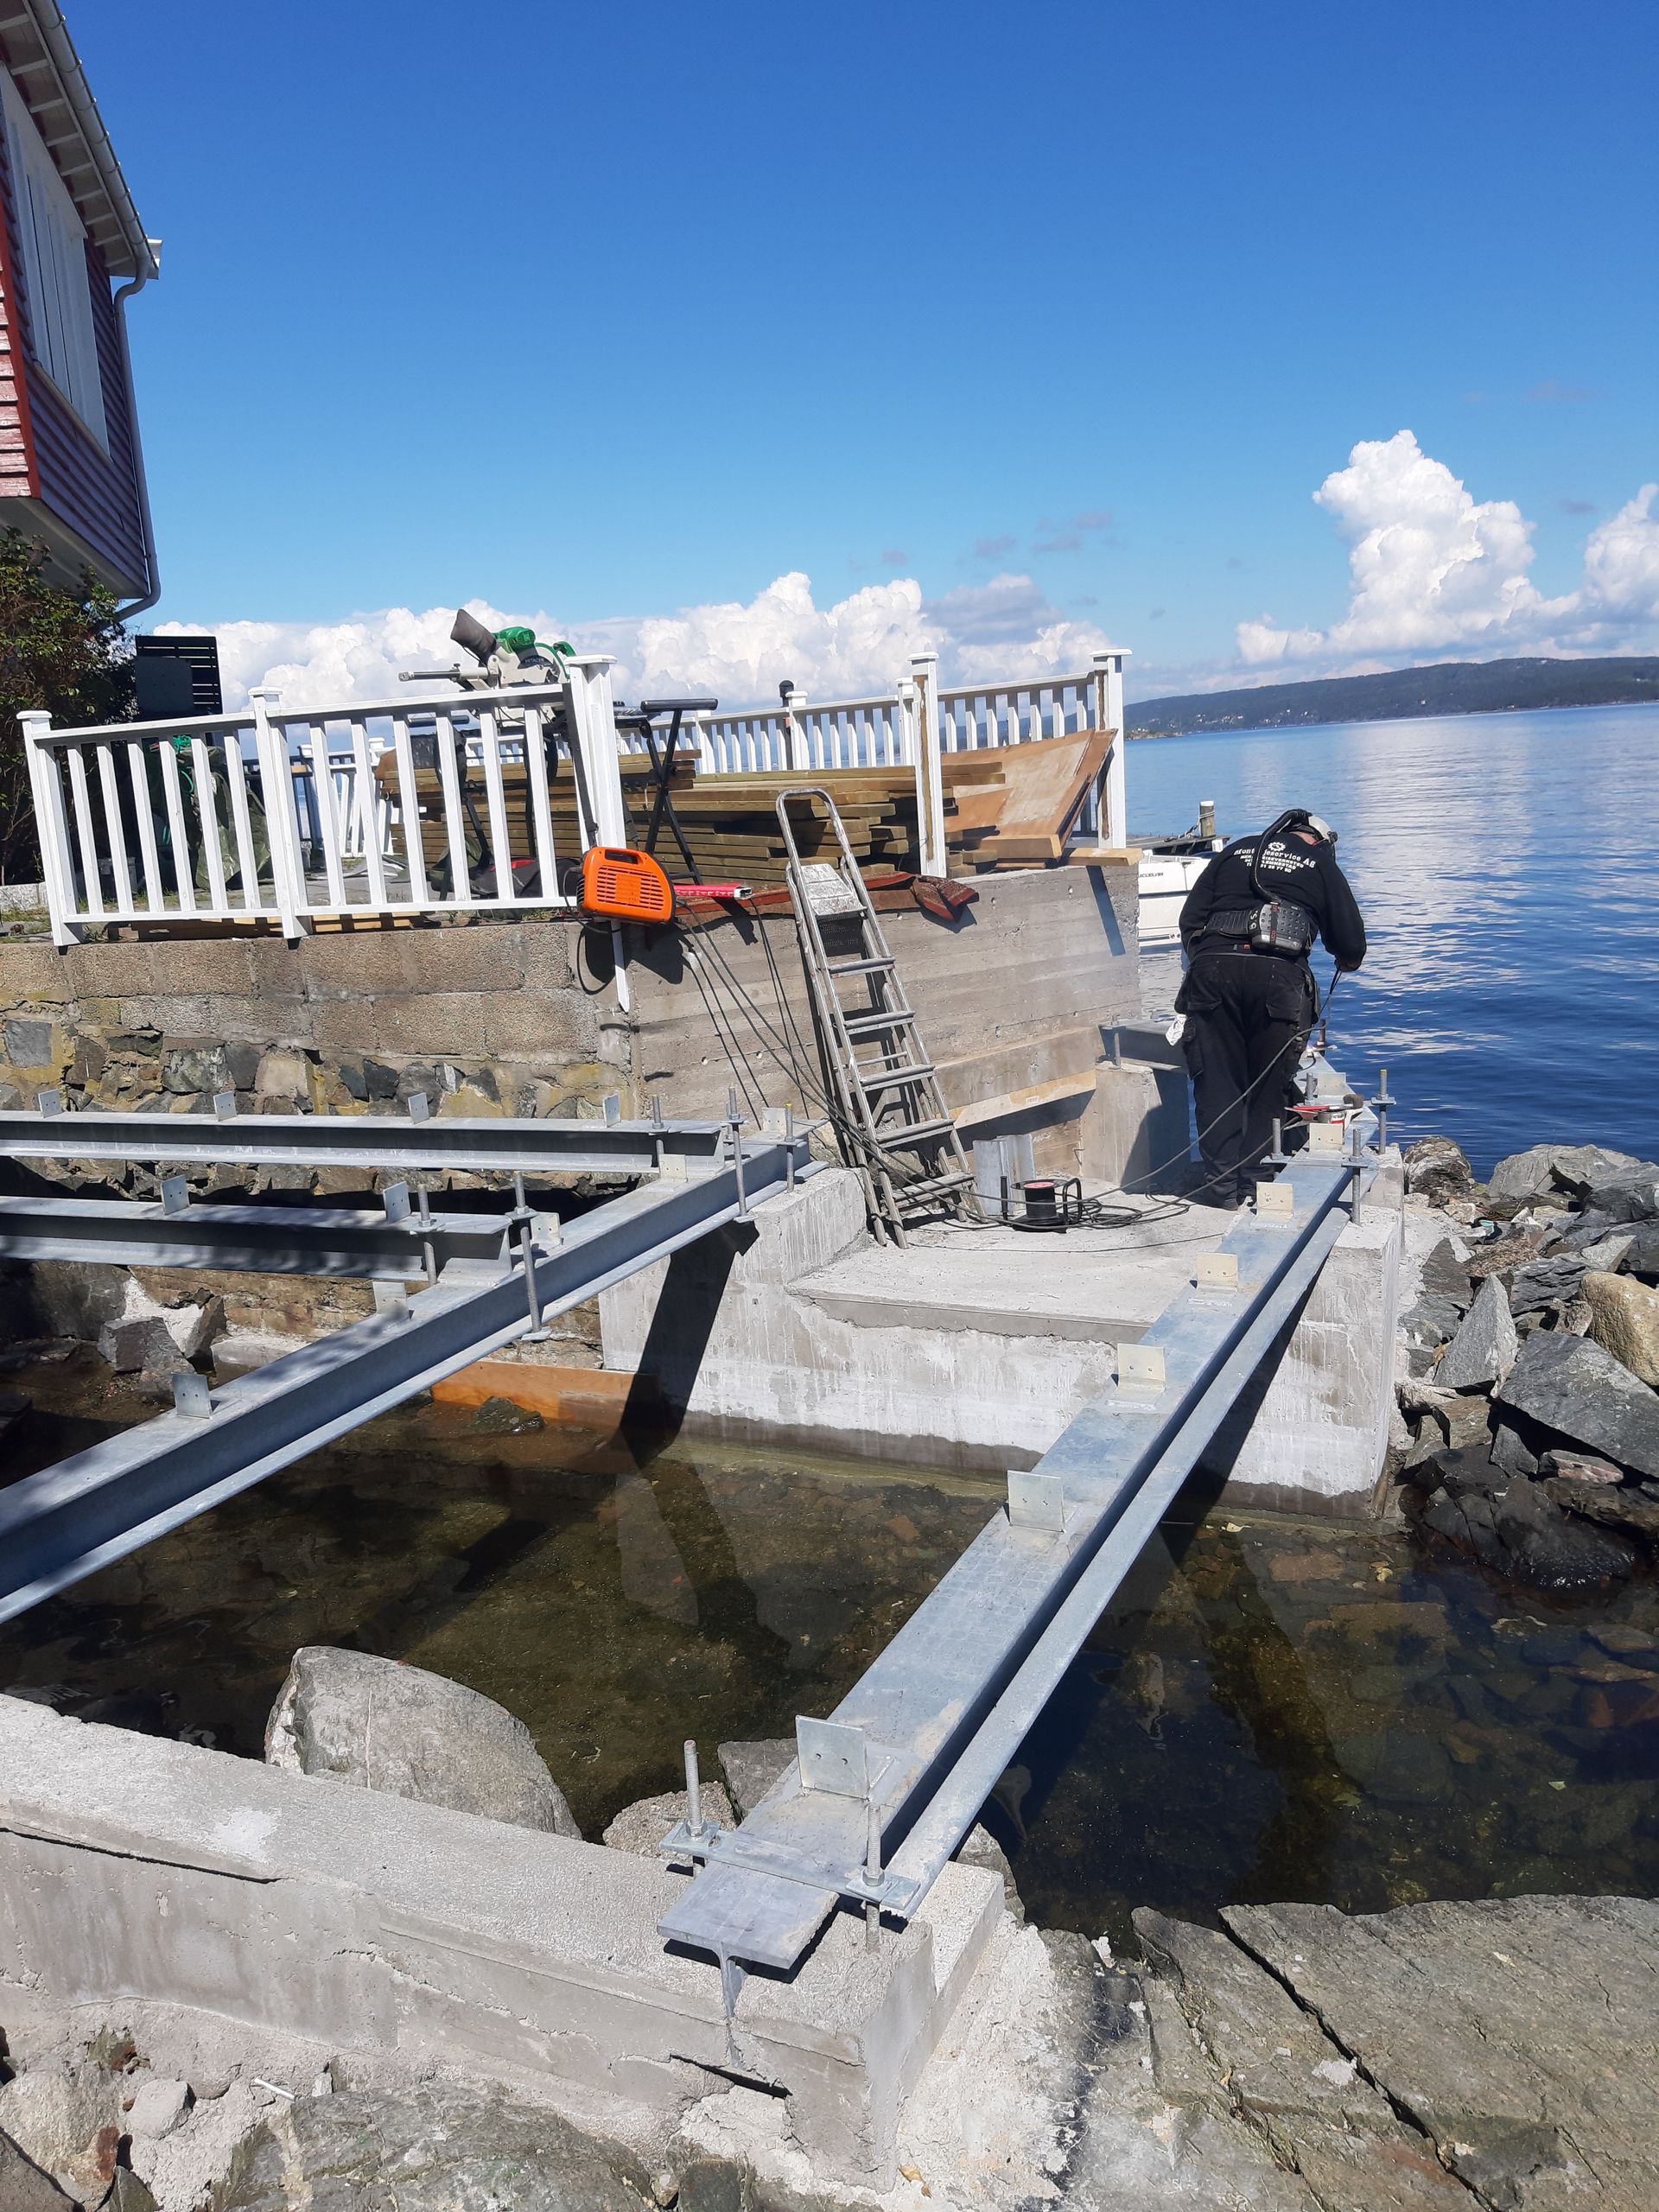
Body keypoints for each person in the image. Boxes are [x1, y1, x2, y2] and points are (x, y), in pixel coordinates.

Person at [1174, 808, 1366, 1206]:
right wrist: (1344, 959)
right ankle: (1256, 1184)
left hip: (1212, 971)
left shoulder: (1237, 851)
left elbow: (1190, 918)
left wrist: (1211, 957)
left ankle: (1221, 1189)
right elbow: (1350, 944)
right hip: (1277, 978)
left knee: (1216, 1081)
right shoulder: (1318, 862)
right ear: (1319, 841)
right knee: (1268, 1085)